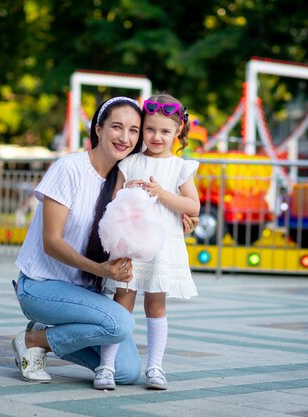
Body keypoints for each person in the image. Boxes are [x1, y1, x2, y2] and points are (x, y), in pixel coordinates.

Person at [11, 96, 197, 387]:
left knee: (124, 372)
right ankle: (32, 339)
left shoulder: (124, 175)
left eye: (134, 130)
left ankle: (48, 336)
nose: (125, 137)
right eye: (117, 127)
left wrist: (176, 221)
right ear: (98, 129)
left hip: (85, 292)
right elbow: (51, 242)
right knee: (120, 323)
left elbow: (144, 218)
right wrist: (102, 271)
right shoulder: (69, 168)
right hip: (43, 285)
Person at [94, 93, 200, 391]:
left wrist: (161, 193)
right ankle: (106, 366)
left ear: (178, 131)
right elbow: (113, 199)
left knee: (156, 305)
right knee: (122, 302)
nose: (156, 137)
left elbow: (193, 207)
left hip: (163, 247)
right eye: (150, 129)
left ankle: (155, 367)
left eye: (165, 131)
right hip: (130, 243)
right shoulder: (130, 162)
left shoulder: (180, 167)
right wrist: (127, 189)